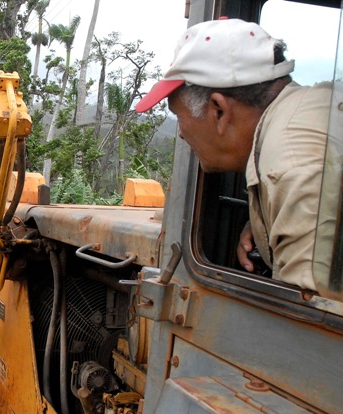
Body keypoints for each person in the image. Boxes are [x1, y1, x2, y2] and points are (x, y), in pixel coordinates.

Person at [135, 17, 332, 292]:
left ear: (219, 110)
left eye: (179, 116)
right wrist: (263, 224)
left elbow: (309, 315)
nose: (180, 134)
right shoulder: (313, 110)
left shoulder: (291, 169)